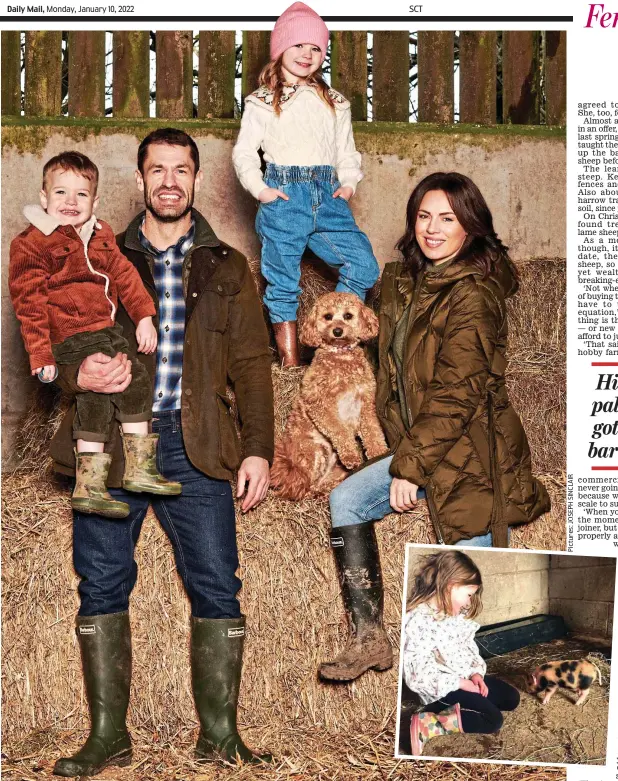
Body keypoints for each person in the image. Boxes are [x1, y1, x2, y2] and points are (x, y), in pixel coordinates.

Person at [47, 129, 274, 776]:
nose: (169, 180)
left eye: (182, 169)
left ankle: (220, 737)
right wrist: (78, 374)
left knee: (216, 584)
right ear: (141, 180)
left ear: (196, 179)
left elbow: (254, 366)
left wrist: (257, 448)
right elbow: (60, 340)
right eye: (157, 169)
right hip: (112, 442)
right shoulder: (95, 257)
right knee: (102, 579)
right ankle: (108, 737)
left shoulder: (227, 266)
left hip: (197, 444)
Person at [319, 172, 551, 683]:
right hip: (421, 442)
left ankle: (486, 687)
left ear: (470, 226)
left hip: (472, 452)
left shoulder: (473, 296)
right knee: (347, 502)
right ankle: (369, 638)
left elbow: (457, 393)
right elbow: (386, 367)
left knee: (467, 591)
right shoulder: (405, 284)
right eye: (424, 216)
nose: (432, 228)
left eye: (447, 218)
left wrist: (410, 468)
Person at [9, 151, 181, 519]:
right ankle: (118, 474)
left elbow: (125, 276)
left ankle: (102, 483)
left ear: (95, 200)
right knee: (120, 383)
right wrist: (42, 357)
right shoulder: (31, 243)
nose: (71, 203)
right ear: (43, 198)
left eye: (81, 195)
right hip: (70, 335)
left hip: (104, 331)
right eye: (60, 193)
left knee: (104, 397)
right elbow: (30, 304)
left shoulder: (100, 234)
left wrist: (146, 316)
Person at [232, 1, 380, 366]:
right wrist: (262, 190)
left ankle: (332, 343)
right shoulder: (263, 102)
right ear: (281, 47)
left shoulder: (336, 102)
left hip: (328, 196)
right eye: (298, 45)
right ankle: (290, 363)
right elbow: (245, 152)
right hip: (285, 194)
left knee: (363, 265)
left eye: (316, 48)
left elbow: (347, 151)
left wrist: (347, 183)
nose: (307, 54)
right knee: (282, 280)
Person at [402, 551, 520, 756]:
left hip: (465, 680)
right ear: (451, 585)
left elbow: (468, 648)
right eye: (468, 595)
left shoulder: (455, 617)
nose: (468, 602)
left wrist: (476, 674)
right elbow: (417, 676)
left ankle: (467, 706)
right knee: (493, 720)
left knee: (511, 699)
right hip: (443, 690)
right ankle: (429, 722)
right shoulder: (418, 620)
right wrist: (460, 683)